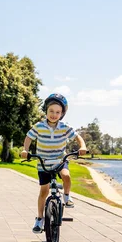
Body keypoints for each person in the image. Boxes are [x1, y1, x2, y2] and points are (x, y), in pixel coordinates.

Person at [21, 93, 87, 234]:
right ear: (46, 111)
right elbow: (28, 137)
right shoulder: (39, 126)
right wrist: (25, 150)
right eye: (51, 111)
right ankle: (39, 218)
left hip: (59, 160)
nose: (54, 114)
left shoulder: (64, 127)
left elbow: (77, 137)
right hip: (43, 162)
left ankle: (67, 196)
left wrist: (82, 147)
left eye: (57, 112)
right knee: (44, 191)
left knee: (66, 176)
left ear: (62, 113)